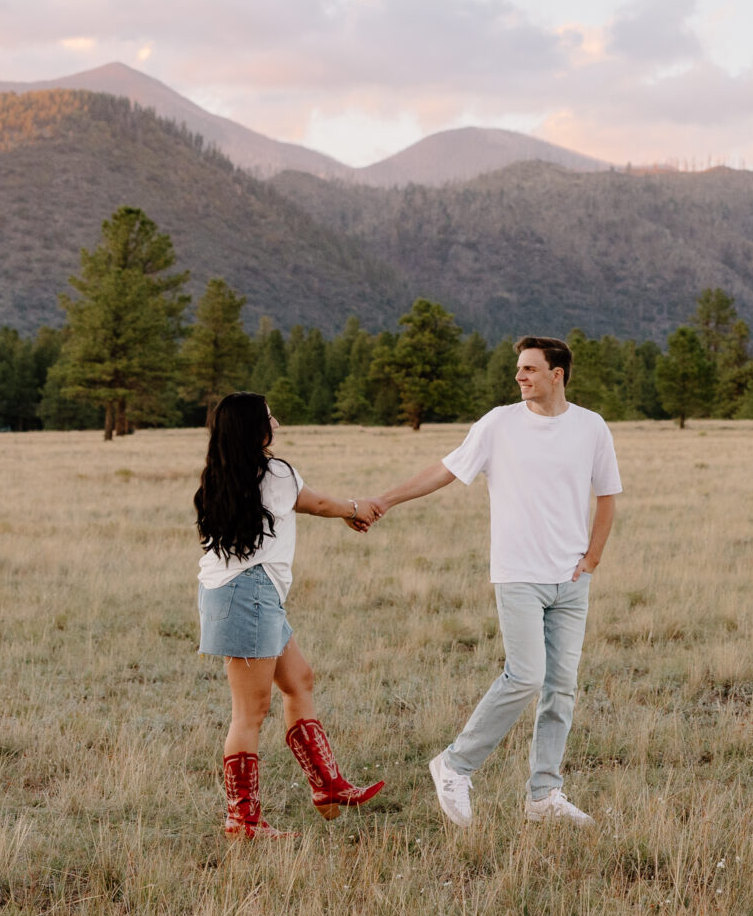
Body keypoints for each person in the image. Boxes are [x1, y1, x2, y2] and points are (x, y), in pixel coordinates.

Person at [342, 336, 619, 828]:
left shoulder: (591, 427)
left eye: (530, 369)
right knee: (526, 675)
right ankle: (455, 764)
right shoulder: (499, 424)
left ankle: (544, 795)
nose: (520, 376)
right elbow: (445, 471)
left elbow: (607, 496)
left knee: (562, 689)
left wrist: (592, 558)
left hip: (572, 580)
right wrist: (383, 500)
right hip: (519, 575)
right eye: (518, 368)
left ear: (558, 374)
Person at [195, 391, 383, 838]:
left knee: (299, 681)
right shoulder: (275, 472)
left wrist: (351, 511)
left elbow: (308, 502)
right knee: (250, 712)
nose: (276, 422)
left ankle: (328, 786)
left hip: (245, 595)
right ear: (253, 428)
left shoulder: (219, 477)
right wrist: (356, 510)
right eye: (269, 416)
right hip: (250, 595)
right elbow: (315, 502)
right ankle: (242, 819)